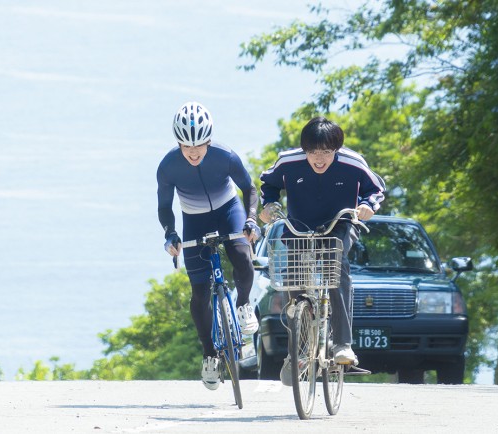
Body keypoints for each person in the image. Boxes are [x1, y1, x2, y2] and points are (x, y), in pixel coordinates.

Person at [258, 116, 385, 386]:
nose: (319, 158)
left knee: (336, 268)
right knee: (294, 282)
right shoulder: (288, 161)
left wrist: (367, 206)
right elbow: (268, 183)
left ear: (335, 150)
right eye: (313, 152)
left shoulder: (353, 163)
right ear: (304, 150)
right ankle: (298, 351)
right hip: (298, 226)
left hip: (338, 224)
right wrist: (269, 205)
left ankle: (342, 344)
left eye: (326, 152)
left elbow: (376, 188)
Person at [157, 101, 260, 390]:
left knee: (241, 253)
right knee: (200, 293)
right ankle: (209, 355)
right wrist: (170, 234)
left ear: (208, 140)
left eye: (199, 145)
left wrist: (251, 220)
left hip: (229, 210)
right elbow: (164, 206)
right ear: (178, 143)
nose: (193, 152)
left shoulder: (225, 156)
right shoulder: (167, 167)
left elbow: (249, 188)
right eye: (186, 146)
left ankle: (243, 305)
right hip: (194, 220)